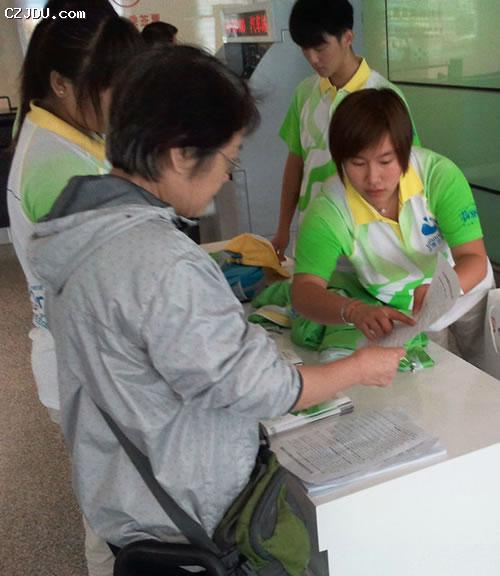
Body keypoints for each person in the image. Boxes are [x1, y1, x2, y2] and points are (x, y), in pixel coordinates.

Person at [28, 46, 404, 549]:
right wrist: (358, 369)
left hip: (129, 494)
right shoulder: (161, 261)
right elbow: (256, 386)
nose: (227, 175)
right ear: (181, 154)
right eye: (229, 158)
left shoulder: (82, 234)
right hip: (185, 514)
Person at [7, 9, 142, 576]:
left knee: (110, 511)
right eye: (108, 85)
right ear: (60, 83)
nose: (121, 99)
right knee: (116, 523)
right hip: (86, 367)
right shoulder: (58, 167)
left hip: (76, 358)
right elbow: (113, 289)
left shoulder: (62, 137)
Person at [292, 88, 495, 364]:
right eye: (357, 163)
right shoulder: (330, 208)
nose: (373, 178)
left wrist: (443, 290)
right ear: (340, 160)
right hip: (403, 310)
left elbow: (473, 257)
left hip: (465, 288)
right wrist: (352, 310)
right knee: (440, 375)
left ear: (405, 150)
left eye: (386, 161)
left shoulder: (438, 176)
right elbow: (304, 290)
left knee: (487, 370)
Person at [272, 0, 419, 260]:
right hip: (314, 236)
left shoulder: (384, 98)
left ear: (347, 38)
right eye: (304, 49)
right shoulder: (304, 94)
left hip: (369, 247)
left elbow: (408, 173)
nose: (312, 59)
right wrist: (283, 229)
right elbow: (296, 164)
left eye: (320, 48)